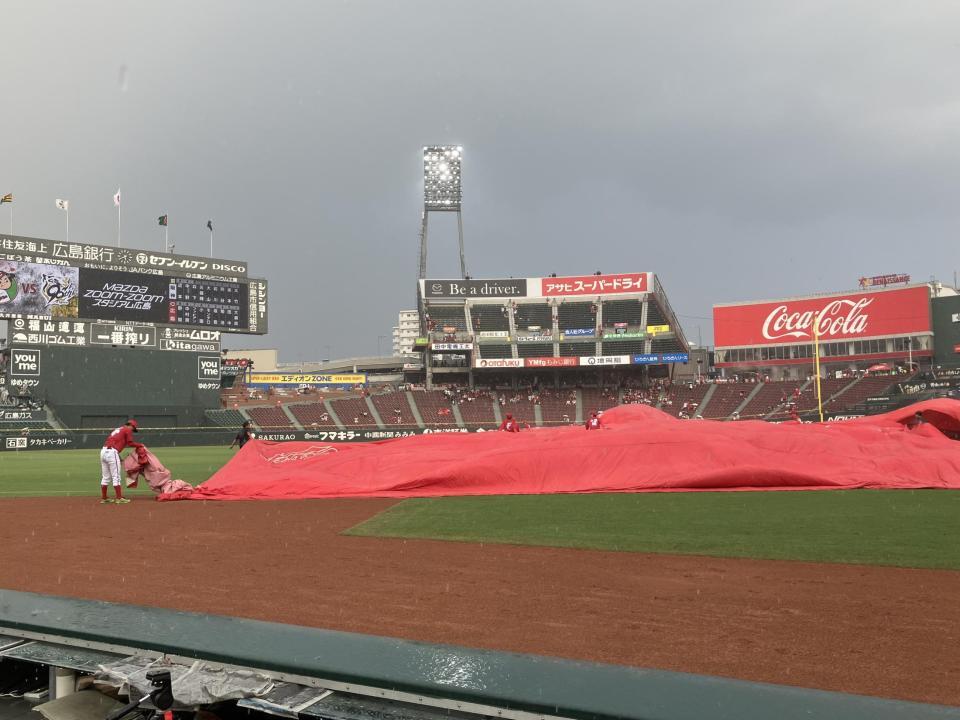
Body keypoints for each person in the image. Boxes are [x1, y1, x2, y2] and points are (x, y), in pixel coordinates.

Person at [100, 419, 143, 504]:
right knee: (116, 476)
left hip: (103, 452)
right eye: (133, 429)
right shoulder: (127, 429)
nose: (132, 431)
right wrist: (140, 445)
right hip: (112, 452)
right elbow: (130, 443)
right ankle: (119, 498)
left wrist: (118, 457)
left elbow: (112, 442)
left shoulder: (119, 429)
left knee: (105, 477)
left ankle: (104, 498)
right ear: (131, 425)